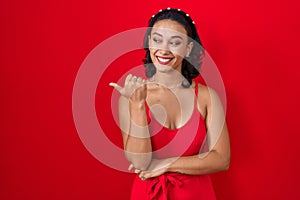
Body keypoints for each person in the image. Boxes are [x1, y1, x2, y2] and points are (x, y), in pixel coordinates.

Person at [110, 7, 230, 200]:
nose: (164, 50)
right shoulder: (131, 96)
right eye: (157, 40)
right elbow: (140, 162)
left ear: (188, 48)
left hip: (197, 195)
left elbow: (222, 159)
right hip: (149, 194)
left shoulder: (207, 97)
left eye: (175, 42)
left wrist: (166, 164)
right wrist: (138, 105)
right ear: (149, 42)